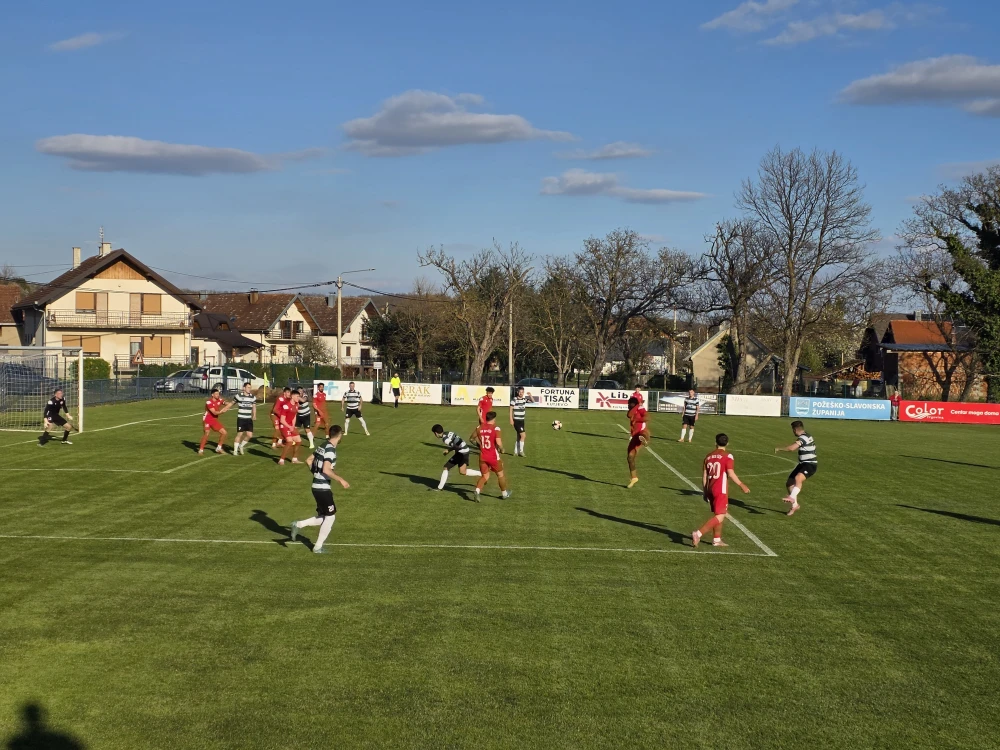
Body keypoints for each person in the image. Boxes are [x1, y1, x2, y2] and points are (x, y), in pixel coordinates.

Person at [290, 425, 349, 554]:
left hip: (317, 486)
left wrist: (316, 474)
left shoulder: (322, 445)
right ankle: (317, 547)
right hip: (322, 488)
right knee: (331, 517)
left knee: (324, 516)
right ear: (339, 436)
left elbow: (308, 460)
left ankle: (298, 525)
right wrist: (341, 480)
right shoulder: (330, 450)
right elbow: (326, 469)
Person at [692, 433, 749, 548]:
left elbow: (704, 476)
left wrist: (705, 491)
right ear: (727, 443)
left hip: (710, 488)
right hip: (720, 489)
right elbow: (730, 473)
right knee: (721, 516)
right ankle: (698, 533)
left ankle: (716, 540)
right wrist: (741, 484)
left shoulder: (708, 457)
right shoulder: (728, 456)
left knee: (718, 514)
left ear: (715, 443)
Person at [775, 420, 817, 516]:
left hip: (810, 464)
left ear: (794, 430)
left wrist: (779, 448)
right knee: (789, 483)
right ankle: (795, 505)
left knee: (798, 478)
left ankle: (792, 497)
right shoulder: (807, 435)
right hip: (803, 464)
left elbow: (791, 448)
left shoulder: (803, 438)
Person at [472, 411, 510, 500]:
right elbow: (498, 442)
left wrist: (480, 446)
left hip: (482, 456)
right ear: (494, 419)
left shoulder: (479, 427)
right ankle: (504, 494)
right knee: (500, 475)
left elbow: (471, 439)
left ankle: (477, 490)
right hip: (493, 456)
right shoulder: (496, 428)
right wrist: (502, 448)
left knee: (485, 476)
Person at [431, 424, 482, 489]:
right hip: (464, 450)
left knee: (446, 467)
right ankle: (481, 474)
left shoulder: (445, 439)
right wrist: (451, 450)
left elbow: (455, 446)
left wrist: (450, 450)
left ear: (436, 433)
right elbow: (458, 441)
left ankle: (439, 488)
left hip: (462, 452)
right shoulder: (448, 433)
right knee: (462, 471)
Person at [198, 387, 231, 455]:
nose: (217, 395)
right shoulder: (209, 402)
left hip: (214, 420)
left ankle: (218, 448)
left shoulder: (219, 400)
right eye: (216, 394)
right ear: (212, 395)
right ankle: (201, 450)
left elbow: (226, 403)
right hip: (207, 419)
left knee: (224, 433)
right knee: (207, 433)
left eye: (218, 394)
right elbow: (214, 413)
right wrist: (222, 411)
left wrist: (233, 402)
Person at [626, 396, 649, 488]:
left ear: (633, 404)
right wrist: (637, 405)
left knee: (642, 435)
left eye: (629, 404)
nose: (628, 405)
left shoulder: (641, 409)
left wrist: (638, 418)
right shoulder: (632, 411)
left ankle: (644, 440)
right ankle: (634, 477)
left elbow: (646, 418)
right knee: (630, 458)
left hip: (642, 432)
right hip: (634, 437)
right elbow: (629, 415)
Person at [277, 391, 302, 465]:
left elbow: (294, 416)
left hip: (291, 426)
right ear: (292, 396)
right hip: (284, 425)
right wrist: (289, 426)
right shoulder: (286, 406)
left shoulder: (297, 405)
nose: (299, 398)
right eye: (297, 396)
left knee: (298, 441)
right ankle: (281, 460)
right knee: (290, 442)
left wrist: (293, 426)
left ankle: (294, 459)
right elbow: (282, 420)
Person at [232, 381, 257, 455]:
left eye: (250, 387)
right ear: (244, 388)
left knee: (250, 435)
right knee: (239, 434)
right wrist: (226, 407)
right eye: (248, 387)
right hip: (241, 418)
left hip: (248, 419)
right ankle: (235, 451)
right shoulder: (238, 396)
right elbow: (232, 403)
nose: (249, 389)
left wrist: (254, 415)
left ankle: (241, 446)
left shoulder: (252, 397)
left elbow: (254, 406)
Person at [509, 386, 528, 457]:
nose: (521, 393)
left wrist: (530, 395)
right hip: (516, 420)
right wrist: (511, 419)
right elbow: (510, 409)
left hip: (522, 420)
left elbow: (533, 401)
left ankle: (515, 451)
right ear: (517, 392)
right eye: (520, 392)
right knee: (523, 436)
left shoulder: (524, 399)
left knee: (519, 436)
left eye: (522, 392)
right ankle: (521, 451)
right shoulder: (514, 399)